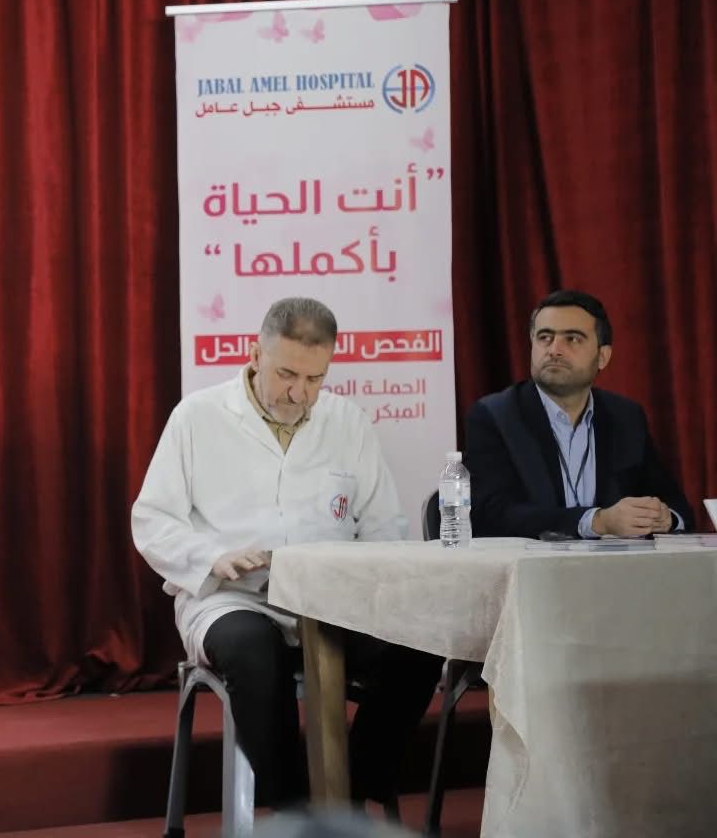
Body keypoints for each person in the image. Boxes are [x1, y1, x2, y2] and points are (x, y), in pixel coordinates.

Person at [132, 297, 440, 809]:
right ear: (255, 355)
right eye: (287, 374)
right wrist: (212, 556)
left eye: (316, 379)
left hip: (333, 600)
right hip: (232, 598)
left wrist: (371, 585)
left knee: (420, 644)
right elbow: (152, 519)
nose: (300, 393)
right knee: (254, 651)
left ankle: (352, 792)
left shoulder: (347, 421)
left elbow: (385, 524)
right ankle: (288, 808)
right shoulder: (198, 417)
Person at [465, 289, 694, 539]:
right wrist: (596, 522)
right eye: (545, 337)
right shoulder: (495, 416)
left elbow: (673, 503)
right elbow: (490, 513)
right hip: (533, 571)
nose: (554, 350)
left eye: (572, 339)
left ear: (603, 356)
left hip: (614, 570)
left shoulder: (625, 417)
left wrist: (664, 517)